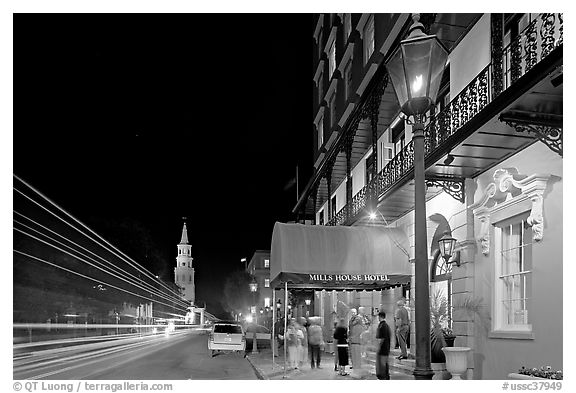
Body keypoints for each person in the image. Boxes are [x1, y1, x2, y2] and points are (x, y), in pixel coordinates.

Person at [349, 306, 370, 377]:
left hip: (356, 342)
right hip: (358, 342)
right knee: (358, 359)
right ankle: (357, 372)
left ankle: (357, 371)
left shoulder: (354, 323)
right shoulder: (358, 324)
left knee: (357, 359)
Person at [375, 310, 392, 380]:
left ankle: (383, 376)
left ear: (380, 317)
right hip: (386, 347)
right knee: (385, 363)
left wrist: (378, 347)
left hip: (383, 348)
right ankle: (386, 376)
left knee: (382, 364)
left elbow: (381, 338)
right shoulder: (387, 326)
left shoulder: (382, 326)